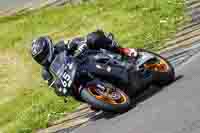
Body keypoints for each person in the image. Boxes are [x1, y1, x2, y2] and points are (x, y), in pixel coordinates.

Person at [31, 29, 138, 99]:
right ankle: (94, 97)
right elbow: (56, 88)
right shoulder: (46, 73)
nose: (42, 59)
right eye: (38, 58)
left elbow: (75, 42)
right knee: (74, 94)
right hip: (76, 83)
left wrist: (81, 44)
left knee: (92, 38)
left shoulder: (60, 46)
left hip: (84, 60)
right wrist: (59, 89)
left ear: (48, 48)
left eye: (42, 54)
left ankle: (123, 50)